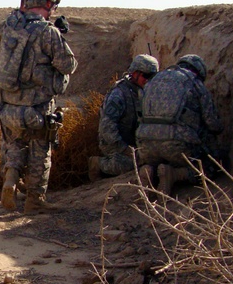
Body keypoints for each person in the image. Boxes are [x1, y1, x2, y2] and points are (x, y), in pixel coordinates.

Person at [0, 0, 77, 213]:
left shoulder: (6, 27)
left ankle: (10, 179)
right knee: (40, 151)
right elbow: (67, 65)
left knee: (15, 145)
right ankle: (34, 201)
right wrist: (60, 36)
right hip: (37, 108)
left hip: (7, 106)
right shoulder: (48, 32)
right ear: (49, 4)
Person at [136, 53, 223, 195]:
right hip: (177, 145)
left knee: (156, 158)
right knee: (209, 168)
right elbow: (212, 123)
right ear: (198, 71)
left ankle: (149, 170)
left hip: (145, 144)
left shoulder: (154, 80)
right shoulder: (195, 82)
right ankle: (175, 174)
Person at [88, 53, 160, 180]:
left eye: (153, 77)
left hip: (136, 142)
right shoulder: (119, 94)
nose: (149, 80)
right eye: (146, 76)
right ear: (135, 73)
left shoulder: (146, 91)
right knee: (133, 166)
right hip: (115, 142)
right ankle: (98, 164)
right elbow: (107, 127)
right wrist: (123, 148)